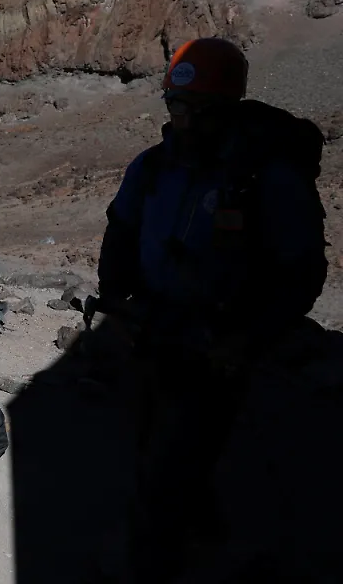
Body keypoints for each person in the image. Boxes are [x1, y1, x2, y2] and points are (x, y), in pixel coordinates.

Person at [94, 36, 328, 581]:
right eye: (179, 109)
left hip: (219, 342)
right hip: (154, 329)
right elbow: (122, 230)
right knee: (154, 439)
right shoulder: (153, 168)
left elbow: (301, 271)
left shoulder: (264, 179)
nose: (187, 123)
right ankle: (194, 526)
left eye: (201, 112)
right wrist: (117, 299)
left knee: (176, 458)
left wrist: (249, 337)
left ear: (228, 108)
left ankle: (158, 557)